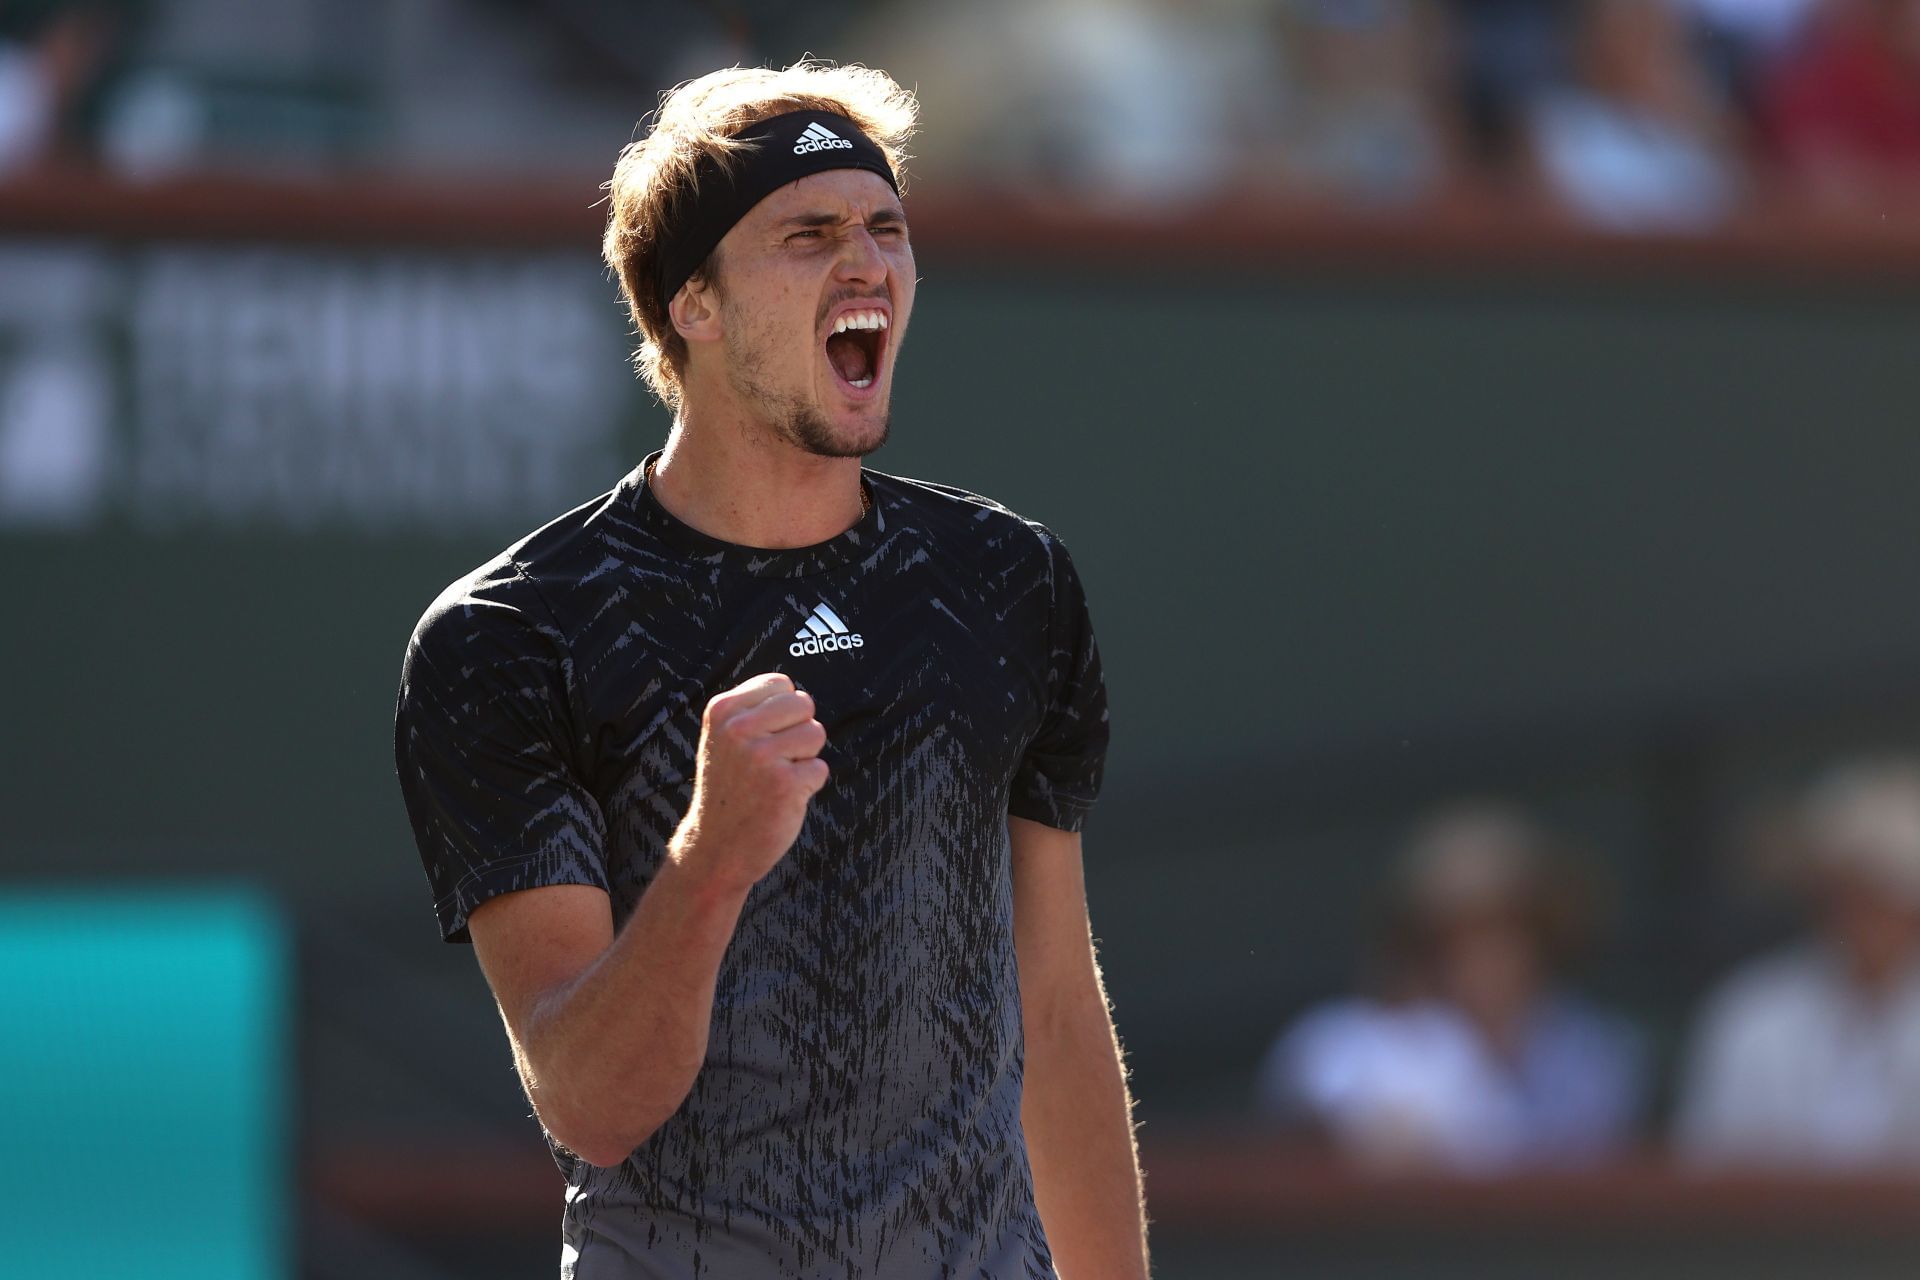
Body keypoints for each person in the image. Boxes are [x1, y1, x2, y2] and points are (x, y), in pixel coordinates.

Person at [391, 61, 1148, 1278]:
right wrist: (710, 859)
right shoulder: (511, 634)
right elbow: (587, 1102)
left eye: (886, 229)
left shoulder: (1011, 579)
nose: (869, 264)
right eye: (811, 234)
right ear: (692, 300)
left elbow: (1054, 1008)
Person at [1259, 804, 1643, 1172]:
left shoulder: (1590, 1049)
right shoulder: (1348, 1045)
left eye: (1511, 928)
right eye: (1459, 933)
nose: (1487, 955)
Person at [1678, 758, 1920, 1169]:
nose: (1862, 916)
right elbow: (1710, 1174)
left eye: (1883, 895)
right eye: (1847, 894)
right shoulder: (1753, 1013)